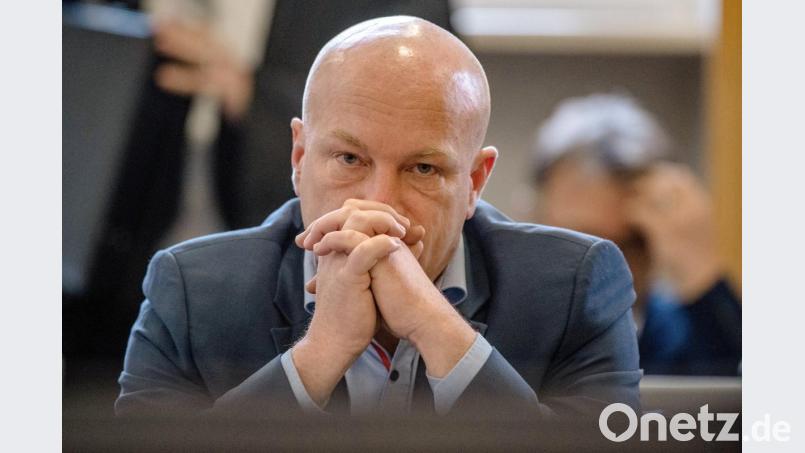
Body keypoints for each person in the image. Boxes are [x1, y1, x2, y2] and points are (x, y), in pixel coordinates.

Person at [116, 17, 641, 418]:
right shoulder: (191, 292)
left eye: (422, 168)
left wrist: (433, 324)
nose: (379, 203)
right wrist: (318, 356)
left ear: (474, 183)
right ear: (300, 158)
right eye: (349, 160)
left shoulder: (576, 286)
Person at [532, 93, 741, 376]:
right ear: (536, 214)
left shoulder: (678, 335)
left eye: (632, 244)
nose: (611, 269)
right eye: (585, 241)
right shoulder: (498, 327)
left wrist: (700, 273)